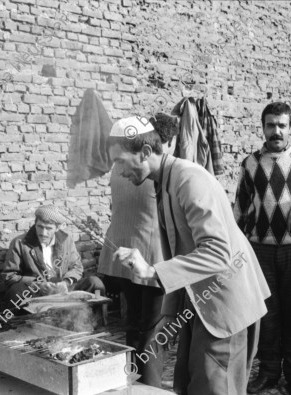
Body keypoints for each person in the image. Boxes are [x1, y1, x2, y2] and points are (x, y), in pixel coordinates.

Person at [108, 117, 270, 395]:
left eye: (121, 161)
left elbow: (219, 253)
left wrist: (152, 271)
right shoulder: (163, 183)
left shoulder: (189, 179)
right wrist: (170, 314)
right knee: (189, 384)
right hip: (199, 303)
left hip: (224, 306)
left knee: (217, 388)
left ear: (146, 153)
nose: (118, 171)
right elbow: (180, 251)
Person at [233, 102, 291, 395]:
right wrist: (235, 246)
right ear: (262, 127)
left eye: (282, 125)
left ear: (290, 127)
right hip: (259, 251)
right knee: (266, 315)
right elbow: (239, 207)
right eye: (271, 125)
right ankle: (269, 372)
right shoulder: (250, 163)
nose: (276, 131)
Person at [98, 114, 178, 387]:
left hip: (121, 254)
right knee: (154, 333)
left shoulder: (120, 167)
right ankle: (150, 388)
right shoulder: (155, 173)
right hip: (151, 256)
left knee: (133, 326)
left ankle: (134, 385)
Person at [1, 205, 105, 310]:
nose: (43, 233)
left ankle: (93, 324)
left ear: (57, 228)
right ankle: (25, 324)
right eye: (40, 227)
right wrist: (37, 284)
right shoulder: (20, 243)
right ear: (35, 224)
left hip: (64, 291)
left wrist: (66, 282)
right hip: (36, 293)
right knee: (15, 291)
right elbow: (9, 276)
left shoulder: (66, 240)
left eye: (49, 228)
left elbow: (76, 266)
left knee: (95, 283)